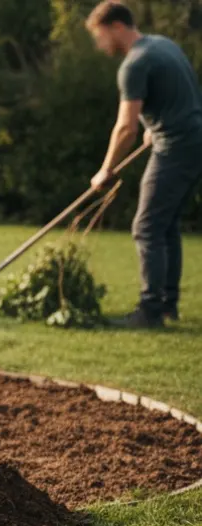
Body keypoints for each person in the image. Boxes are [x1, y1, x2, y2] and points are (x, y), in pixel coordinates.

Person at [87, 1, 202, 328]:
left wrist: (106, 170)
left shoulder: (134, 64)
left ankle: (150, 311)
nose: (100, 44)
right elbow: (177, 95)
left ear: (116, 27)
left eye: (100, 36)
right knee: (166, 225)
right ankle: (167, 305)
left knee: (147, 226)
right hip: (194, 141)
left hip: (176, 147)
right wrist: (155, 127)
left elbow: (126, 127)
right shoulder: (163, 45)